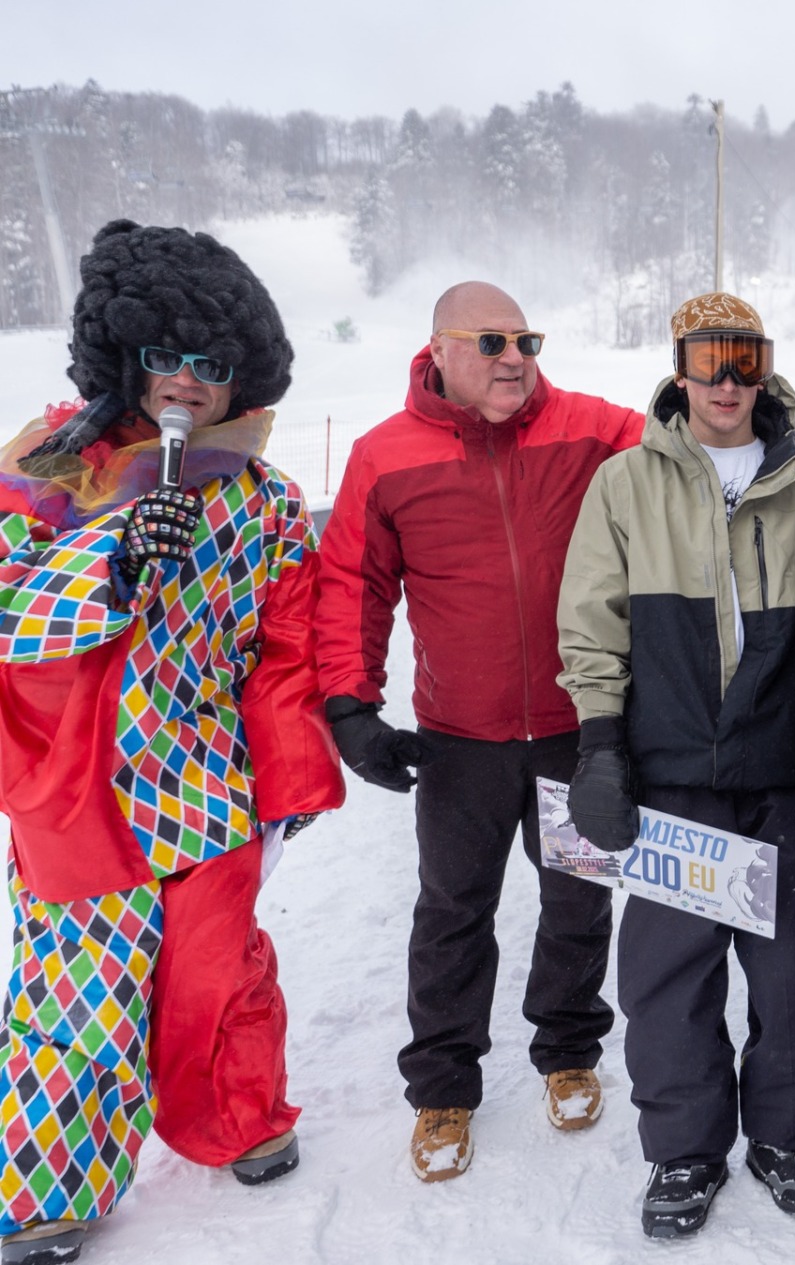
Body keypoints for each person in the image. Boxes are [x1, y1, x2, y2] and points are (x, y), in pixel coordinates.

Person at [0, 220, 345, 1264]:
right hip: (78, 787)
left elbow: (285, 656)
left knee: (215, 972)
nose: (186, 386)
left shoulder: (268, 498)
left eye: (211, 367)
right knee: (77, 989)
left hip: (206, 782)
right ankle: (52, 1185)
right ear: (127, 357)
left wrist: (288, 787)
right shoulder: (48, 462)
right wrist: (108, 554)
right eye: (166, 361)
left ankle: (241, 1119)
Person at [313, 282, 643, 1182]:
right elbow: (353, 582)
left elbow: (683, 438)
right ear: (440, 349)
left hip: (579, 726)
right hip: (460, 734)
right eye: (492, 339)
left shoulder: (583, 426)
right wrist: (350, 703)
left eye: (527, 340)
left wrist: (768, 430)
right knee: (454, 910)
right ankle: (443, 1088)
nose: (514, 357)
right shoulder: (386, 455)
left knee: (580, 897)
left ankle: (569, 1046)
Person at [556, 293, 795, 1239]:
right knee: (666, 975)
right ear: (680, 367)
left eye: (746, 359)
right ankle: (684, 1148)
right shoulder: (626, 481)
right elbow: (593, 623)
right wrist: (602, 745)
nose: (728, 381)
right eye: (710, 360)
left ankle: (788, 1133)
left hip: (778, 769)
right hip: (670, 769)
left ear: (766, 366)